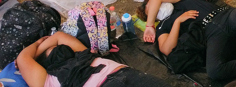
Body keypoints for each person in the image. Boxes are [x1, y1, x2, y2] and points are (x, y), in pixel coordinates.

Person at [137, 0, 236, 83]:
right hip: (211, 35)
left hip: (224, 16)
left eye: (154, 6)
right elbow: (166, 49)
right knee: (214, 71)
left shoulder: (178, 0)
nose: (158, 9)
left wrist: (149, 25)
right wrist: (177, 22)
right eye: (154, 12)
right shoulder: (163, 26)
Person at [16, 31, 174, 87]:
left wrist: (40, 46)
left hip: (125, 74)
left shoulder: (81, 54)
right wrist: (37, 43)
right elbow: (22, 58)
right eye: (54, 53)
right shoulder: (46, 79)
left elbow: (58, 36)